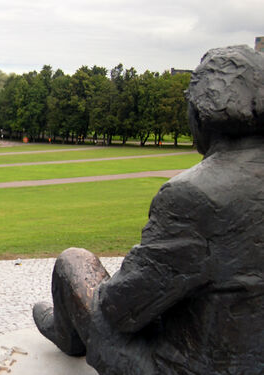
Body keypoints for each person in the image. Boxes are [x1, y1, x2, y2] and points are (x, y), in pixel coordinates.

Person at [33, 45, 264, 374]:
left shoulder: (192, 195)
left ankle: (66, 331)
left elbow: (118, 309)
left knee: (73, 262)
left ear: (199, 114)